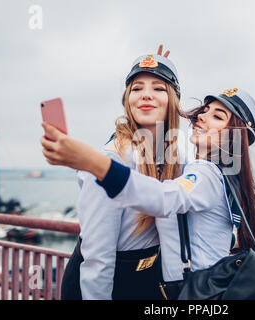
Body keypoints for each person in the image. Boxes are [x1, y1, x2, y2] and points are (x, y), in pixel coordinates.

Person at [41, 87, 255, 300]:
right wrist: (159, 79)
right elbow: (156, 148)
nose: (202, 117)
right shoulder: (215, 173)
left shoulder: (207, 175)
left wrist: (93, 162)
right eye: (205, 111)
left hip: (195, 292)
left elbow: (164, 197)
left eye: (217, 116)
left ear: (236, 136)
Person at [53, 45, 184, 300]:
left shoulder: (171, 155)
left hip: (147, 279)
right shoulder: (111, 158)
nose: (146, 95)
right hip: (109, 282)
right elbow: (97, 258)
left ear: (173, 101)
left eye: (159, 88)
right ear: (127, 100)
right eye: (137, 88)